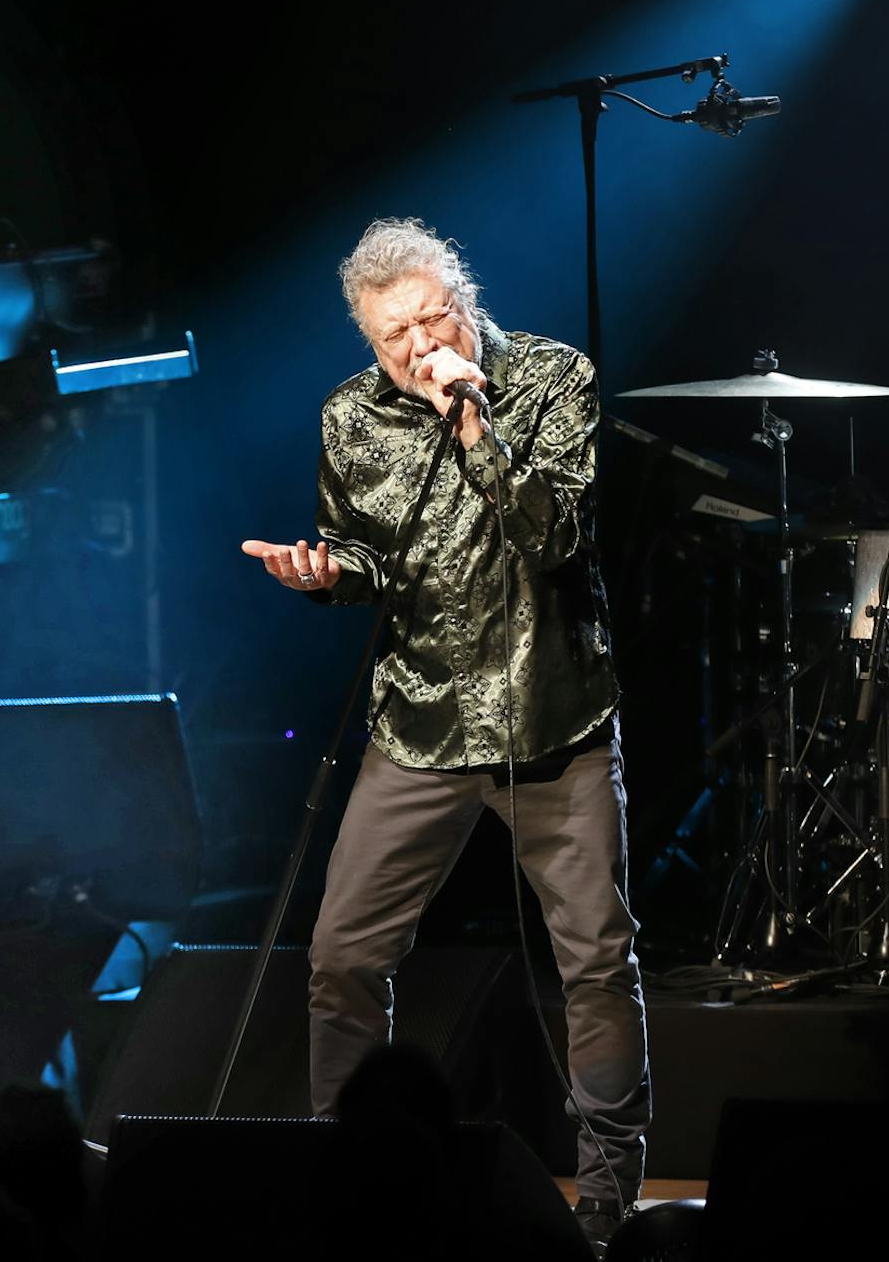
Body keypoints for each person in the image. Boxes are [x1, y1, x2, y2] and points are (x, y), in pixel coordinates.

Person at [240, 218, 650, 1253]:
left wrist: (472, 424)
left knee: (595, 957)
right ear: (368, 341)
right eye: (394, 337)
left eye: (432, 319)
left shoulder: (552, 377)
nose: (418, 347)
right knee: (340, 952)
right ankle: (354, 1176)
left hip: (551, 717)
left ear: (463, 300)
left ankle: (606, 1200)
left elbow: (553, 531)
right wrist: (328, 576)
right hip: (420, 720)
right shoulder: (349, 417)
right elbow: (370, 556)